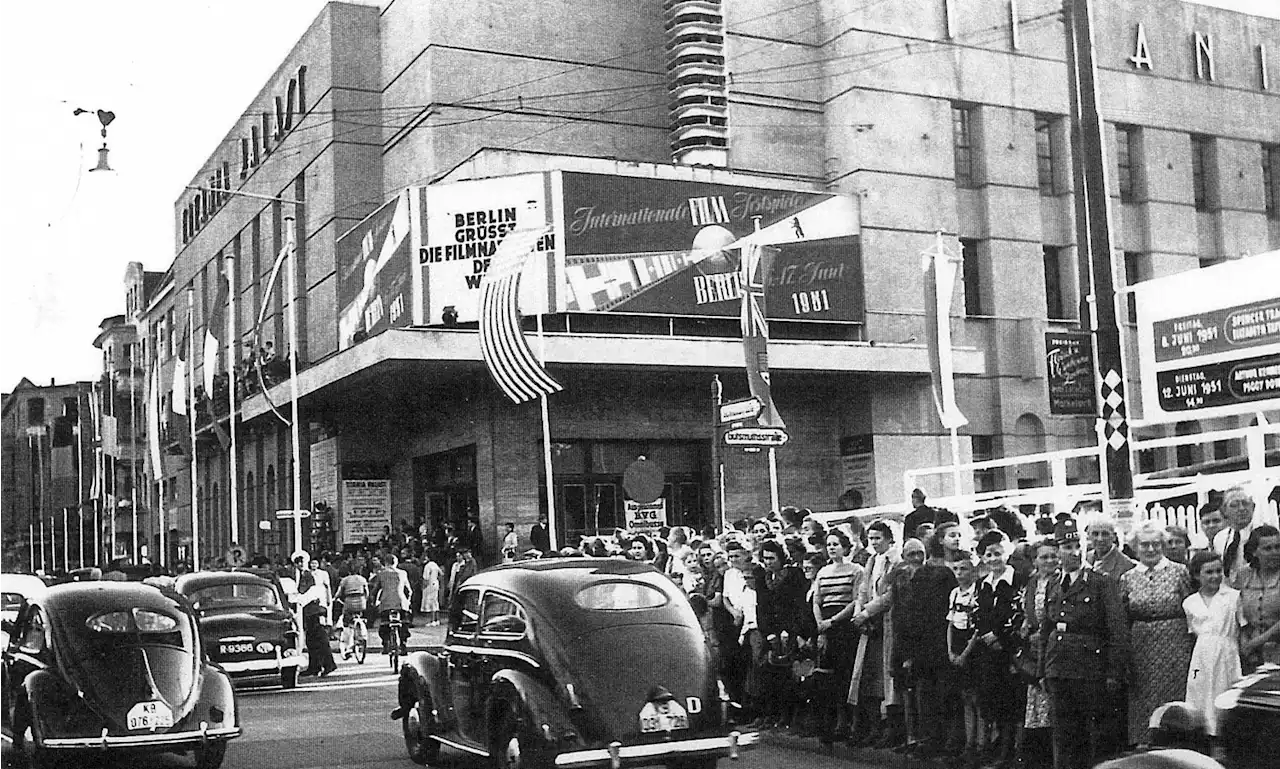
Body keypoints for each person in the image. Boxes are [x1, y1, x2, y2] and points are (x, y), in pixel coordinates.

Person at [1039, 518, 1129, 769]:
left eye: (1077, 545)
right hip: (1058, 666)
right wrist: (1041, 670)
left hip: (1090, 666)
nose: (1075, 552)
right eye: (1067, 547)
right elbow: (1046, 629)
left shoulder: (1100, 582)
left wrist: (1114, 671)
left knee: (1093, 733)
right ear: (1057, 551)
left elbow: (1116, 629)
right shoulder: (1053, 584)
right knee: (1064, 731)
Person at [1119, 520, 1193, 749]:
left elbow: (1191, 606)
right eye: (1144, 545)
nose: (1150, 550)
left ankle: (1178, 743)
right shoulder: (1127, 577)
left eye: (1155, 544)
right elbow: (1123, 615)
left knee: (1175, 693)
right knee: (1143, 695)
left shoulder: (1179, 571)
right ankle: (1146, 744)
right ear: (1135, 548)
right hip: (1141, 644)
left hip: (1175, 643)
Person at [893, 532, 958, 760]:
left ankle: (942, 741)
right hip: (916, 647)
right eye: (911, 554)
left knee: (942, 695)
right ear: (903, 556)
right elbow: (901, 616)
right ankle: (926, 739)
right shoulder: (901, 579)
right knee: (922, 695)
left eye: (920, 553)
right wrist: (904, 652)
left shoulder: (939, 575)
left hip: (938, 645)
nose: (916, 557)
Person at [970, 531, 1025, 769]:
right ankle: (996, 748)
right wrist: (985, 635)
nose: (994, 559)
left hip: (1010, 651)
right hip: (988, 652)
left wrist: (1001, 636)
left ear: (1007, 552)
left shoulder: (1018, 580)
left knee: (1012, 703)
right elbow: (976, 614)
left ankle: (1012, 752)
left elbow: (1020, 613)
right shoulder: (982, 584)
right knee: (992, 700)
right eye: (988, 554)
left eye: (998, 553)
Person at [1182, 550, 1243, 747]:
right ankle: (1202, 736)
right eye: (1209, 572)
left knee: (1224, 691)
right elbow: (1193, 631)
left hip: (1227, 652)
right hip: (1201, 657)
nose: (1215, 576)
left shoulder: (1233, 597)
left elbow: (1241, 626)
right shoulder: (1189, 603)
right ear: (1196, 575)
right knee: (1200, 690)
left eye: (1218, 571)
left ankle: (1224, 738)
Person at [810, 529, 864, 744]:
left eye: (836, 544)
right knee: (827, 679)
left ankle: (850, 724)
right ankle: (832, 724)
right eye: (829, 544)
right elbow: (817, 601)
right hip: (825, 627)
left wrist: (833, 622)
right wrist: (821, 627)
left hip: (844, 627)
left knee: (845, 676)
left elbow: (855, 601)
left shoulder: (856, 570)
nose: (832, 548)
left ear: (845, 546)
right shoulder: (823, 572)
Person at [851, 519, 902, 748]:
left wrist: (867, 611)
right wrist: (860, 610)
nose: (873, 543)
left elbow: (890, 594)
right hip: (870, 625)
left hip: (887, 623)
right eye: (870, 539)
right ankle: (875, 728)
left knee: (887, 680)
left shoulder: (896, 561)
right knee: (870, 679)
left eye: (878, 538)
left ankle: (891, 730)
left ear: (890, 538)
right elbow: (864, 589)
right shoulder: (872, 560)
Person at [1019, 537, 1059, 769]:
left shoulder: (1060, 581)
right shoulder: (1033, 581)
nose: (1050, 560)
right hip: (1034, 648)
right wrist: (1027, 624)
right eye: (1044, 557)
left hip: (1051, 644)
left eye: (1053, 556)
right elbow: (1030, 610)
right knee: (1037, 706)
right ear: (1035, 561)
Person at [946, 553, 982, 766]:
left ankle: (979, 744)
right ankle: (969, 744)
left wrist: (965, 654)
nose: (959, 574)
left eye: (964, 569)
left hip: (972, 647)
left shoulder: (977, 592)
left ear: (973, 571)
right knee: (965, 698)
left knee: (976, 698)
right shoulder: (954, 593)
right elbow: (950, 624)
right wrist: (951, 651)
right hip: (957, 644)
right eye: (956, 569)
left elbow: (977, 629)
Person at [1230, 524, 1280, 672]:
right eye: (1267, 548)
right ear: (1254, 551)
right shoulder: (1243, 575)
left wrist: (1258, 641)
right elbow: (1236, 610)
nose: (1274, 552)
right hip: (1251, 653)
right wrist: (1245, 639)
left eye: (1278, 547)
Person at [371, 552, 412, 654]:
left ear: (386, 563)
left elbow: (375, 590)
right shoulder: (403, 573)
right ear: (396, 562)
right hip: (401, 603)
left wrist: (373, 601)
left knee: (384, 624)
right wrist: (408, 601)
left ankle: (385, 645)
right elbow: (409, 591)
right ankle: (403, 645)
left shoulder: (381, 573)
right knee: (404, 623)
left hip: (386, 603)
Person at [1214, 486, 1258, 578]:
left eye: (1245, 503)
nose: (1241, 509)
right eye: (1234, 505)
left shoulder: (1262, 534)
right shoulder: (1220, 538)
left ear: (1253, 507)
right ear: (1224, 510)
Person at [335, 567, 370, 659]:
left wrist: (335, 598)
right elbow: (367, 592)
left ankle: (348, 646)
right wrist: (365, 600)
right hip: (361, 602)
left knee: (346, 623)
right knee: (359, 615)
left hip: (349, 602)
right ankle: (362, 633)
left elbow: (339, 593)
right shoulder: (362, 579)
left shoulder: (345, 580)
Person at [420, 550, 443, 625]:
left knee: (430, 602)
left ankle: (432, 620)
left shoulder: (427, 566)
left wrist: (423, 587)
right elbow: (441, 574)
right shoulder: (435, 564)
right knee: (435, 602)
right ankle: (437, 620)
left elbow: (425, 578)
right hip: (436, 583)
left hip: (429, 585)